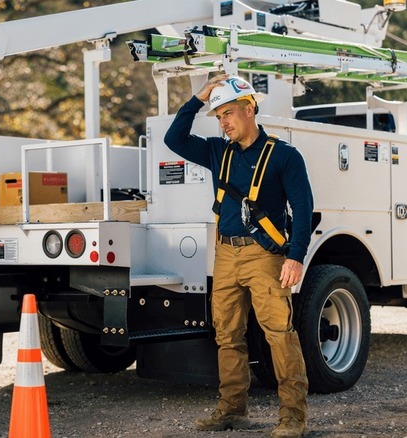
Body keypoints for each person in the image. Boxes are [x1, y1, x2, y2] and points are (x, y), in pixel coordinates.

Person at [163, 74, 313, 438]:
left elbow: (303, 208)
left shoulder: (285, 156)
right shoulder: (218, 152)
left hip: (265, 257)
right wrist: (198, 98)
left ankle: (293, 417)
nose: (223, 123)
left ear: (249, 109)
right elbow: (174, 139)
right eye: (218, 117)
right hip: (226, 254)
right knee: (227, 335)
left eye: (227, 113)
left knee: (279, 334)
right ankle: (233, 410)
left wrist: (295, 257)